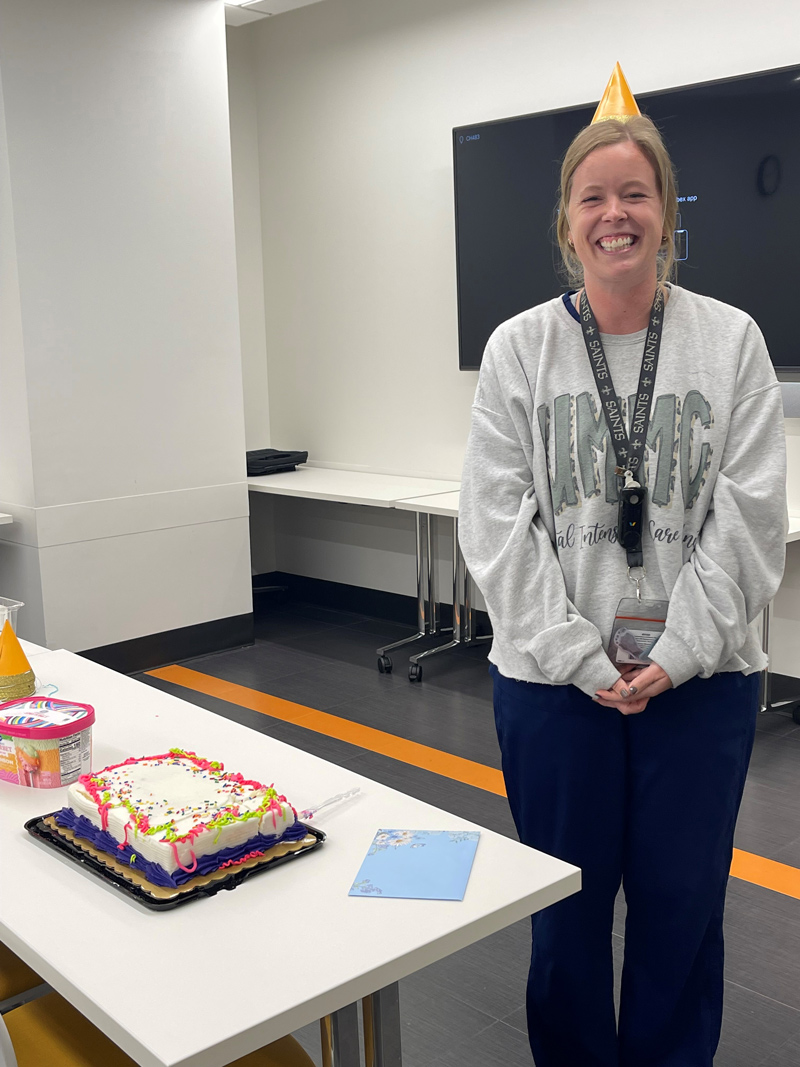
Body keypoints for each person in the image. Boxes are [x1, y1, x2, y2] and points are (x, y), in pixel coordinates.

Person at [458, 65, 787, 1067]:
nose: (614, 214)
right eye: (591, 196)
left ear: (664, 211)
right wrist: (580, 657)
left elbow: (750, 513)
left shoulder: (728, 340)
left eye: (633, 193)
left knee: (680, 917)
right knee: (562, 914)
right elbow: (495, 521)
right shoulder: (516, 351)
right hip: (554, 690)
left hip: (703, 688)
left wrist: (681, 649)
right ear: (565, 221)